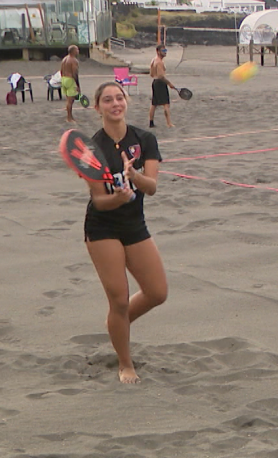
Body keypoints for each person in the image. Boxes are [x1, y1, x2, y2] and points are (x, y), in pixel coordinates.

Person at [81, 81, 168, 384]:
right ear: (98, 107)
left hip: (134, 223)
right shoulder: (91, 148)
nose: (115, 104)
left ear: (126, 102)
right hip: (102, 227)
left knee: (158, 292)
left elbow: (152, 188)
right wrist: (117, 197)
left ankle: (117, 325)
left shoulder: (144, 139)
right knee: (118, 300)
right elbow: (98, 200)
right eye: (107, 100)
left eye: (119, 98)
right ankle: (125, 364)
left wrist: (134, 176)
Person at [149, 45, 178, 128]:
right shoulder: (159, 62)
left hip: (154, 82)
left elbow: (151, 74)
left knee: (154, 103)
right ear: (158, 51)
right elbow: (161, 76)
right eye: (163, 50)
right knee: (166, 104)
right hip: (160, 83)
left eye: (165, 50)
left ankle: (151, 122)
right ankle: (169, 123)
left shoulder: (153, 60)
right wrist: (169, 83)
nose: (165, 52)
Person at [61, 45, 82, 123]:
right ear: (73, 51)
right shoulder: (74, 60)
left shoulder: (64, 59)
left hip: (64, 79)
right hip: (70, 80)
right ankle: (69, 118)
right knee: (70, 101)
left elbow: (61, 71)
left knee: (68, 100)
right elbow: (75, 73)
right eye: (77, 50)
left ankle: (70, 116)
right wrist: (78, 85)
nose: (78, 51)